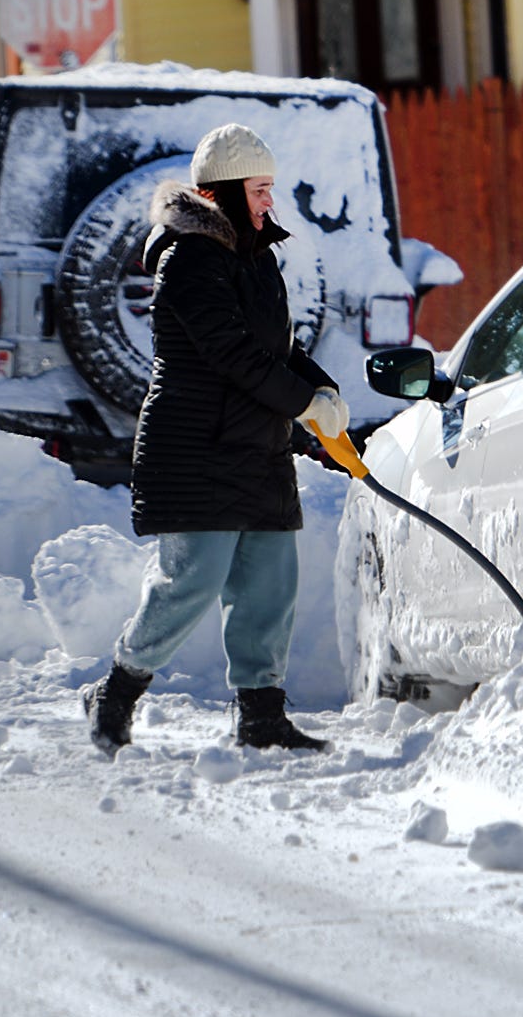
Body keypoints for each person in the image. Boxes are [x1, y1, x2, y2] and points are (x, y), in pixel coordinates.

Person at [84, 124, 348, 757]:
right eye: (258, 190)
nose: (269, 202)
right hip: (195, 449)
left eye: (270, 189)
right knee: (192, 582)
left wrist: (321, 387)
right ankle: (115, 691)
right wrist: (301, 402)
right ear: (220, 193)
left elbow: (276, 348)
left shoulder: (258, 257)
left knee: (269, 586)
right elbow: (230, 353)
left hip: (257, 447)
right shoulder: (188, 259)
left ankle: (262, 717)